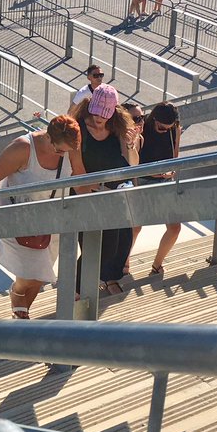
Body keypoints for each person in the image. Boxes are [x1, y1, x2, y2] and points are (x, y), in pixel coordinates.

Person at [0, 115, 84, 320]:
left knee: (41, 275)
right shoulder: (22, 148)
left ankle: (21, 310)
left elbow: (81, 181)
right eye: (60, 150)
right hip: (16, 218)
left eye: (68, 151)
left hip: (51, 219)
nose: (64, 154)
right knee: (34, 272)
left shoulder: (71, 148)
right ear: (48, 137)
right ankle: (19, 301)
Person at [71, 85, 138, 297]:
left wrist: (130, 145)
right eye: (97, 110)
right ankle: (76, 292)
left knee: (117, 246)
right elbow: (74, 169)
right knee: (94, 246)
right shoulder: (78, 128)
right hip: (87, 196)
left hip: (115, 197)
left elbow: (133, 165)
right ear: (90, 105)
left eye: (105, 113)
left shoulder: (117, 127)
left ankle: (101, 281)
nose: (100, 117)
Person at [138, 103, 183, 277]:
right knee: (135, 227)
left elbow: (175, 154)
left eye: (169, 128)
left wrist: (171, 171)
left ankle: (157, 265)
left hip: (165, 181)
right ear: (154, 119)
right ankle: (123, 266)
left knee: (175, 227)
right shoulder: (143, 129)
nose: (165, 130)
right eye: (162, 127)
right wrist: (153, 173)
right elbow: (134, 160)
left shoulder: (175, 129)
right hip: (143, 180)